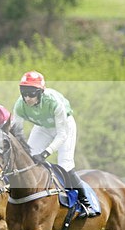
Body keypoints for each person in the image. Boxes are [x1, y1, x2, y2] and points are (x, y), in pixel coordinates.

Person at [11, 71, 94, 217]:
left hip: (64, 127)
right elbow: (16, 133)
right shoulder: (19, 105)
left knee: (65, 164)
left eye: (31, 94)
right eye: (24, 93)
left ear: (40, 92)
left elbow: (62, 134)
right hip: (42, 127)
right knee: (28, 160)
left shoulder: (54, 102)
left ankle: (85, 202)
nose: (27, 98)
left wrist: (45, 153)